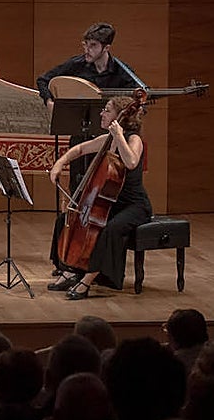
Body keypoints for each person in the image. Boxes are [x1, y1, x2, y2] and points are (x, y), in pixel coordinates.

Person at [47, 95, 151, 300]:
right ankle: (69, 269)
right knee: (66, 219)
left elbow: (131, 162)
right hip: (111, 203)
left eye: (107, 110)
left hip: (134, 206)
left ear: (119, 117)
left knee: (109, 230)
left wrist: (119, 136)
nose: (101, 114)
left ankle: (87, 279)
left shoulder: (133, 139)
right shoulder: (106, 140)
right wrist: (59, 164)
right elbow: (79, 149)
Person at [35, 22, 143, 189]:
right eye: (85, 44)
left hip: (109, 140)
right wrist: (49, 101)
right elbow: (43, 80)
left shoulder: (122, 72)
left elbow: (139, 103)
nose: (87, 49)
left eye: (93, 45)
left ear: (106, 48)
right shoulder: (76, 64)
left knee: (102, 190)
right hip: (82, 134)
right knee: (77, 186)